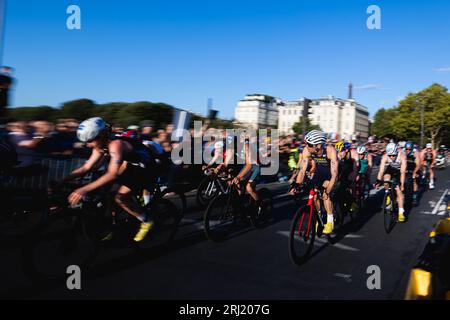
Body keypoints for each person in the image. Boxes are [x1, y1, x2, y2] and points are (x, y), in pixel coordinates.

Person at [58, 117, 158, 242]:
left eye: (90, 141)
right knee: (109, 194)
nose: (88, 145)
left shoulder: (116, 144)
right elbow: (86, 167)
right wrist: (62, 180)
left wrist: (83, 189)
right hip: (131, 165)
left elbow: (112, 174)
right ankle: (115, 225)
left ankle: (147, 221)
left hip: (146, 168)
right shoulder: (100, 145)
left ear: (102, 135)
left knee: (120, 197)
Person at [295, 130, 339, 234]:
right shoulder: (307, 150)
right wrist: (296, 184)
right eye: (306, 143)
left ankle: (330, 221)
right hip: (320, 170)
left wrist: (327, 190)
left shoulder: (330, 151)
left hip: (331, 172)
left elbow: (334, 174)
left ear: (318, 145)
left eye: (309, 144)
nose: (306, 146)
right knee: (313, 194)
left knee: (324, 194)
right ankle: (319, 217)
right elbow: (302, 170)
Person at [375, 142, 407, 222]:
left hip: (399, 171)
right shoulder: (385, 156)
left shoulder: (402, 156)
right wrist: (378, 181)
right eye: (390, 155)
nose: (392, 157)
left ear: (396, 153)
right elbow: (381, 171)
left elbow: (403, 173)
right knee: (386, 180)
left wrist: (402, 185)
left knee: (399, 191)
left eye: (393, 155)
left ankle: (401, 213)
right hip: (391, 169)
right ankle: (388, 194)